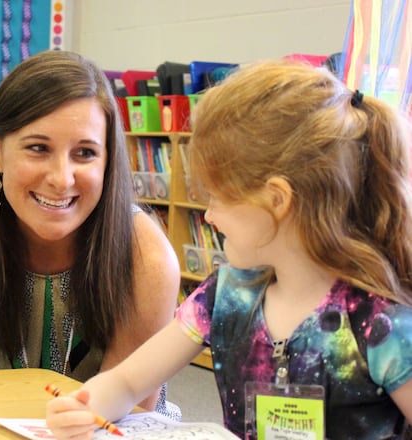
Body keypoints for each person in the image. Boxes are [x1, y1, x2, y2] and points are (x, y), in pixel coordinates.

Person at [46, 59, 412, 439]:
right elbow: (127, 382)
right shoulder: (227, 295)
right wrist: (86, 406)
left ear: (276, 200)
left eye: (219, 198)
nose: (208, 216)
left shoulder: (382, 325)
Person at [0, 50, 181, 417]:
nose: (61, 179)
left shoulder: (146, 255)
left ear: (108, 159)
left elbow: (127, 412)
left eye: (85, 153)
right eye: (38, 148)